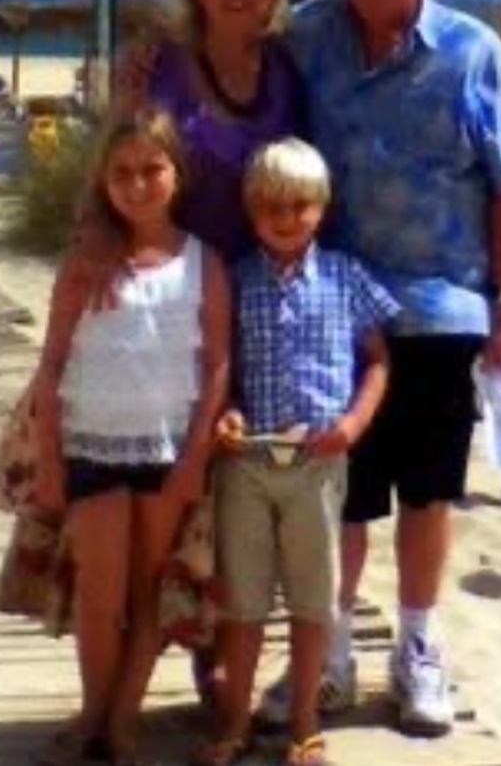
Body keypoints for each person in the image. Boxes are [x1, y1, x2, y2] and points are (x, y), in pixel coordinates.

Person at [264, 0, 501, 737]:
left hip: (438, 306)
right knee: (336, 493)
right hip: (329, 303)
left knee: (428, 491)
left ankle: (418, 647)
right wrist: (147, 69)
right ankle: (330, 649)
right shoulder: (308, 35)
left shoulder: (473, 50)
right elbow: (225, 57)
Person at [108, 0, 304, 702]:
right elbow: (115, 165)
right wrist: (92, 261)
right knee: (166, 476)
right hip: (171, 295)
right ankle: (129, 663)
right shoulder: (156, 67)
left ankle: (219, 649)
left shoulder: (290, 70)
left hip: (262, 298)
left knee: (240, 479)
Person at [32, 108, 232, 766]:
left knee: (148, 593)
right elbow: (52, 361)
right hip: (92, 441)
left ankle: (124, 716)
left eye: (152, 169)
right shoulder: (87, 262)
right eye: (122, 173)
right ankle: (94, 708)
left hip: (167, 449)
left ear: (178, 174)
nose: (138, 184)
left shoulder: (202, 263)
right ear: (103, 181)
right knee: (100, 593)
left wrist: (196, 455)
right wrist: (51, 457)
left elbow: (217, 364)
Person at [195, 138, 399, 766]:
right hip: (248, 463)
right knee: (245, 601)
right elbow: (221, 365)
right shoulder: (236, 279)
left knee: (314, 598)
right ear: (250, 210)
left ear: (322, 207)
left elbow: (377, 361)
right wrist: (228, 412)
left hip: (318, 462)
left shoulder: (344, 275)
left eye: (299, 206)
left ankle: (305, 723)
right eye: (270, 207)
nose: (285, 219)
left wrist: (354, 423)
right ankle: (236, 721)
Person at [113, 0, 304, 265]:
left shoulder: (292, 62)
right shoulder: (154, 69)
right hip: (179, 273)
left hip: (272, 276)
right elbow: (111, 170)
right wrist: (93, 239)